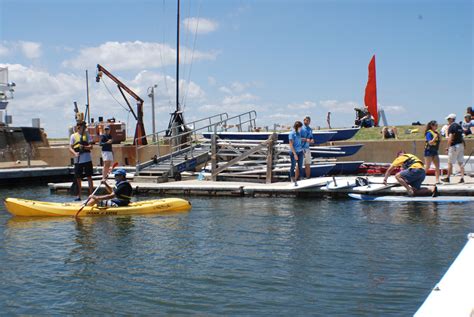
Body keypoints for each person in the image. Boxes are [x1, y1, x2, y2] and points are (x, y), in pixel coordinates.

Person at [69, 122, 94, 201]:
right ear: (78, 127)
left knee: (89, 177)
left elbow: (91, 147)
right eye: (83, 127)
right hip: (78, 161)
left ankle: (91, 195)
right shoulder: (73, 136)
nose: (84, 128)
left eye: (85, 127)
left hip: (87, 159)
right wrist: (75, 153)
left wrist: (84, 147)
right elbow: (70, 147)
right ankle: (79, 195)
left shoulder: (87, 135)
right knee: (78, 178)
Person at [442, 113, 465, 183]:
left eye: (448, 119)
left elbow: (450, 138)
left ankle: (448, 178)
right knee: (461, 162)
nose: (448, 121)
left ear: (451, 119)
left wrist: (447, 147)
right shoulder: (459, 126)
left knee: (450, 163)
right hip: (461, 145)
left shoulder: (451, 127)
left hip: (454, 146)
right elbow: (462, 137)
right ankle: (462, 178)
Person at [288, 121, 304, 185]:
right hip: (293, 152)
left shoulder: (299, 133)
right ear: (298, 127)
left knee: (300, 166)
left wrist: (302, 150)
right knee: (293, 165)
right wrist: (294, 154)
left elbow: (299, 143)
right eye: (301, 127)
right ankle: (292, 178)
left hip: (300, 152)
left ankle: (301, 178)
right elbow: (291, 145)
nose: (301, 129)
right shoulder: (291, 133)